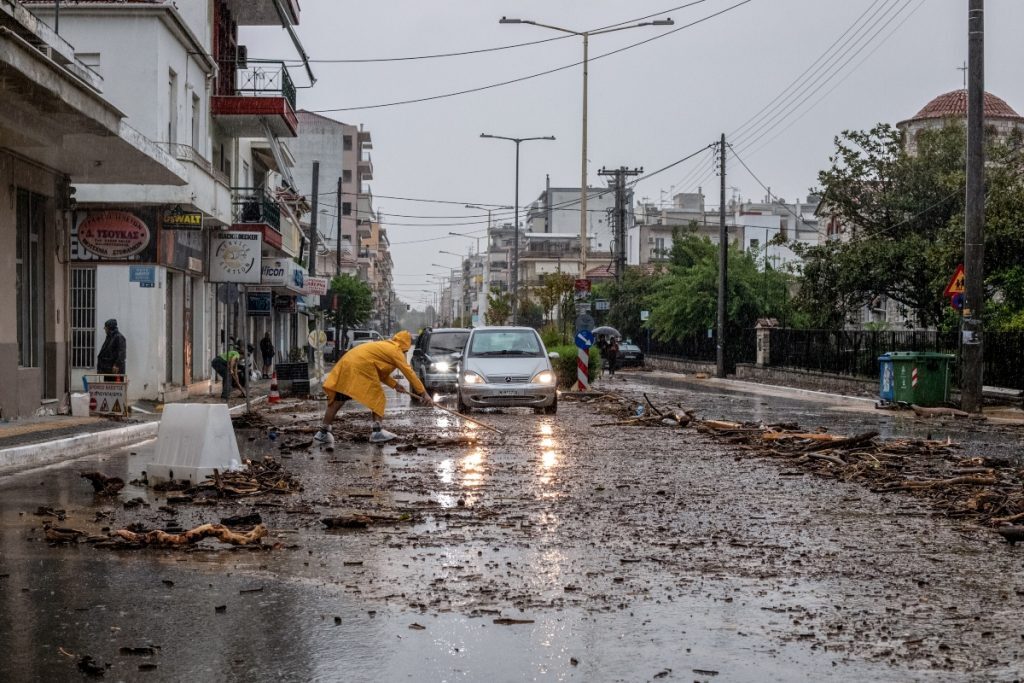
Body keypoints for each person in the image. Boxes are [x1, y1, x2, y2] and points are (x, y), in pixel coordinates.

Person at [314, 330, 433, 445]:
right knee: (377, 397)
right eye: (406, 351)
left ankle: (323, 432)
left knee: (338, 401)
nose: (405, 353)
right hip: (359, 367)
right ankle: (377, 431)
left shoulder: (386, 347)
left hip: (349, 364)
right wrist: (424, 393)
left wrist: (395, 385)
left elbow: (380, 373)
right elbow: (409, 373)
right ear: (405, 346)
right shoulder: (396, 350)